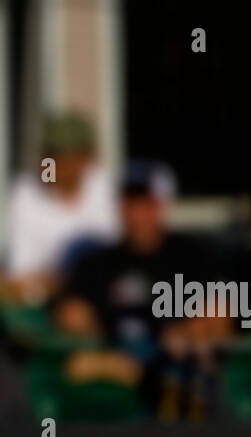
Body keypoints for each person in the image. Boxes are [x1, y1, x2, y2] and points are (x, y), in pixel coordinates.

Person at [55, 162, 231, 420]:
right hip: (115, 368)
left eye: (145, 204)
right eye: (129, 203)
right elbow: (72, 314)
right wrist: (99, 349)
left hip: (174, 369)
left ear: (162, 205)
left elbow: (219, 313)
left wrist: (190, 333)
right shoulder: (96, 262)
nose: (136, 214)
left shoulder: (192, 256)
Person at [1, 113, 118, 303]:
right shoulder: (27, 191)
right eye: (50, 155)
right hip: (46, 299)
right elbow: (20, 275)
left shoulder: (106, 189)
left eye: (65, 156)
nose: (54, 164)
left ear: (87, 157)